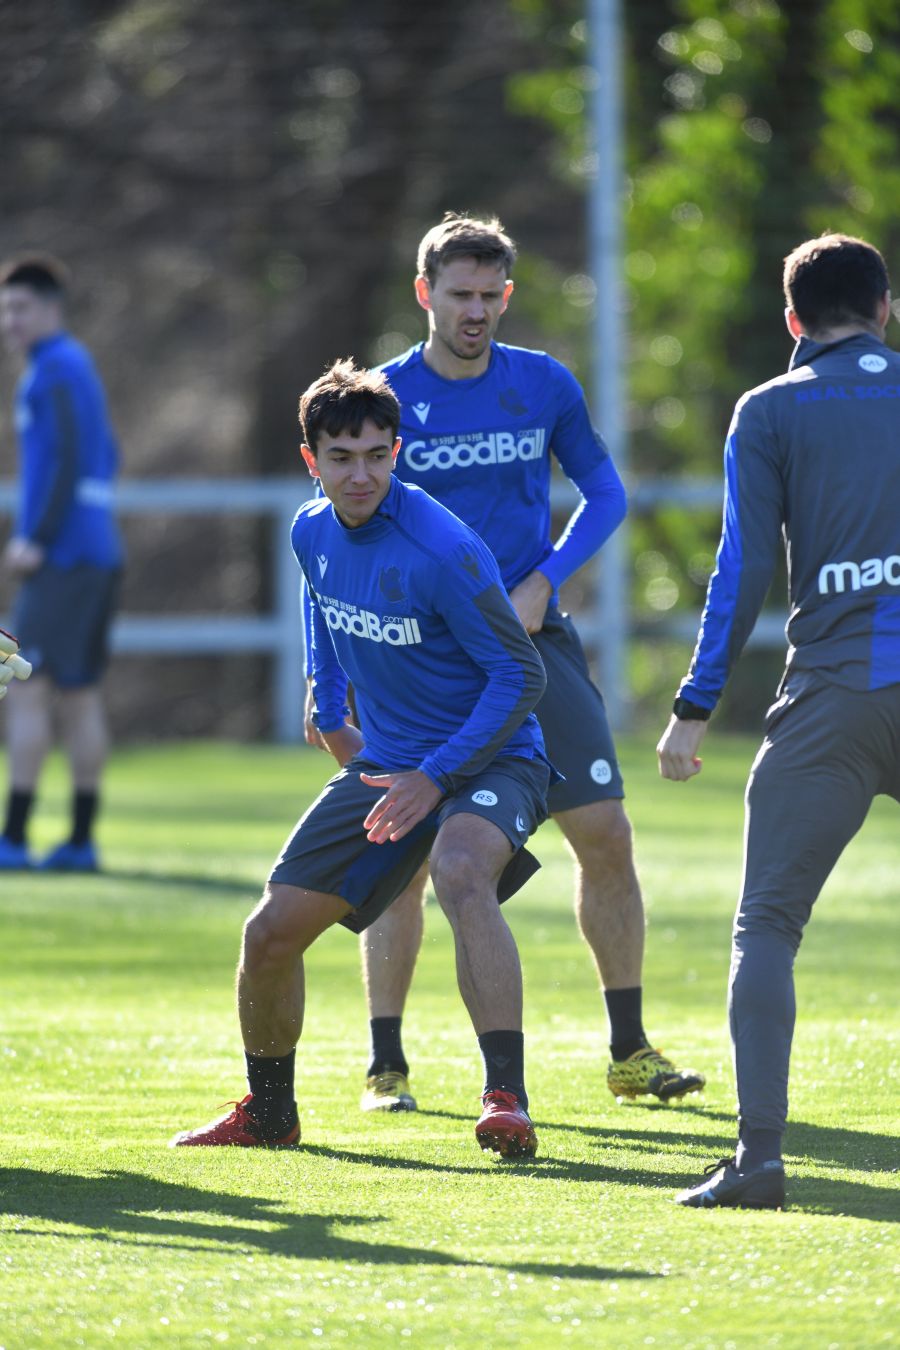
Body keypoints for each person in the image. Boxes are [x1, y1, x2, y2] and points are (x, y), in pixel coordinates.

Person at [306, 213, 704, 1113]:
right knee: (402, 852)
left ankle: (630, 1050)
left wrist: (548, 577)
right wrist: (330, 667)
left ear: (508, 296)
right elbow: (334, 522)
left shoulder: (544, 384)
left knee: (605, 833)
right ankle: (386, 1063)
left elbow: (605, 492)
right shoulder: (388, 400)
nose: (477, 311)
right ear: (426, 295)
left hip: (532, 641)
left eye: (492, 295)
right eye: (461, 295)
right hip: (413, 654)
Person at [173, 358, 553, 1156]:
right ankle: (271, 1115)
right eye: (341, 458)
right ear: (311, 460)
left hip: (493, 758)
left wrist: (436, 778)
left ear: (396, 450)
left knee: (458, 871)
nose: (362, 474)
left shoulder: (442, 547)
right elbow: (322, 600)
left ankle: (505, 1098)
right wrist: (326, 689)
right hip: (391, 761)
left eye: (377, 454)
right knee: (269, 935)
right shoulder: (309, 528)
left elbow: (522, 673)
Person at [657, 233, 900, 1210]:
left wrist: (694, 706)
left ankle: (760, 1162)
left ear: (794, 320)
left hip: (835, 697)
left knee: (768, 926)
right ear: (886, 309)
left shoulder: (770, 409)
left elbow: (744, 572)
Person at [0, 255, 123, 872]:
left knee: (22, 689)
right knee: (78, 695)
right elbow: (107, 451)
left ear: (51, 307)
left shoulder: (55, 368)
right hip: (95, 550)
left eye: (19, 307)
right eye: (4, 309)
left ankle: (14, 839)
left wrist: (38, 538)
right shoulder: (78, 367)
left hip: (64, 557)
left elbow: (72, 457)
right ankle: (79, 840)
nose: (8, 321)